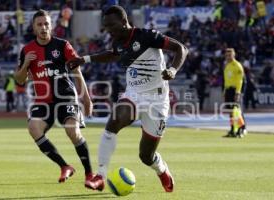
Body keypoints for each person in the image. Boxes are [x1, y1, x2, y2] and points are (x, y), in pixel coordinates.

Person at [67, 5, 188, 192]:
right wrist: (85, 59)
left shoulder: (147, 36)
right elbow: (113, 55)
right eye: (106, 26)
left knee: (146, 156)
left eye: (112, 25)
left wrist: (172, 70)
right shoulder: (117, 41)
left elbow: (180, 48)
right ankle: (100, 176)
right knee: (114, 121)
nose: (109, 30)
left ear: (124, 22)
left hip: (157, 100)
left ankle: (162, 169)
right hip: (134, 95)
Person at [14, 9, 94, 186]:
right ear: (34, 28)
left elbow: (76, 71)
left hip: (65, 96)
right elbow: (19, 80)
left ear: (51, 26)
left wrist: (86, 99)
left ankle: (89, 174)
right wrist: (27, 62)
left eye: (46, 24)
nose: (43, 28)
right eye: (39, 24)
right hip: (43, 100)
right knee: (34, 127)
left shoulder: (62, 45)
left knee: (72, 131)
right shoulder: (27, 50)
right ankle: (65, 166)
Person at [223, 48, 247, 138]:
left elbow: (240, 80)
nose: (228, 57)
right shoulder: (227, 66)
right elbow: (226, 80)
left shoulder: (237, 65)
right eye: (227, 55)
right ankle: (233, 129)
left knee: (236, 111)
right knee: (230, 111)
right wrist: (224, 91)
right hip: (228, 90)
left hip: (235, 90)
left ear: (234, 55)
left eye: (230, 55)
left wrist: (238, 92)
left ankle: (241, 129)